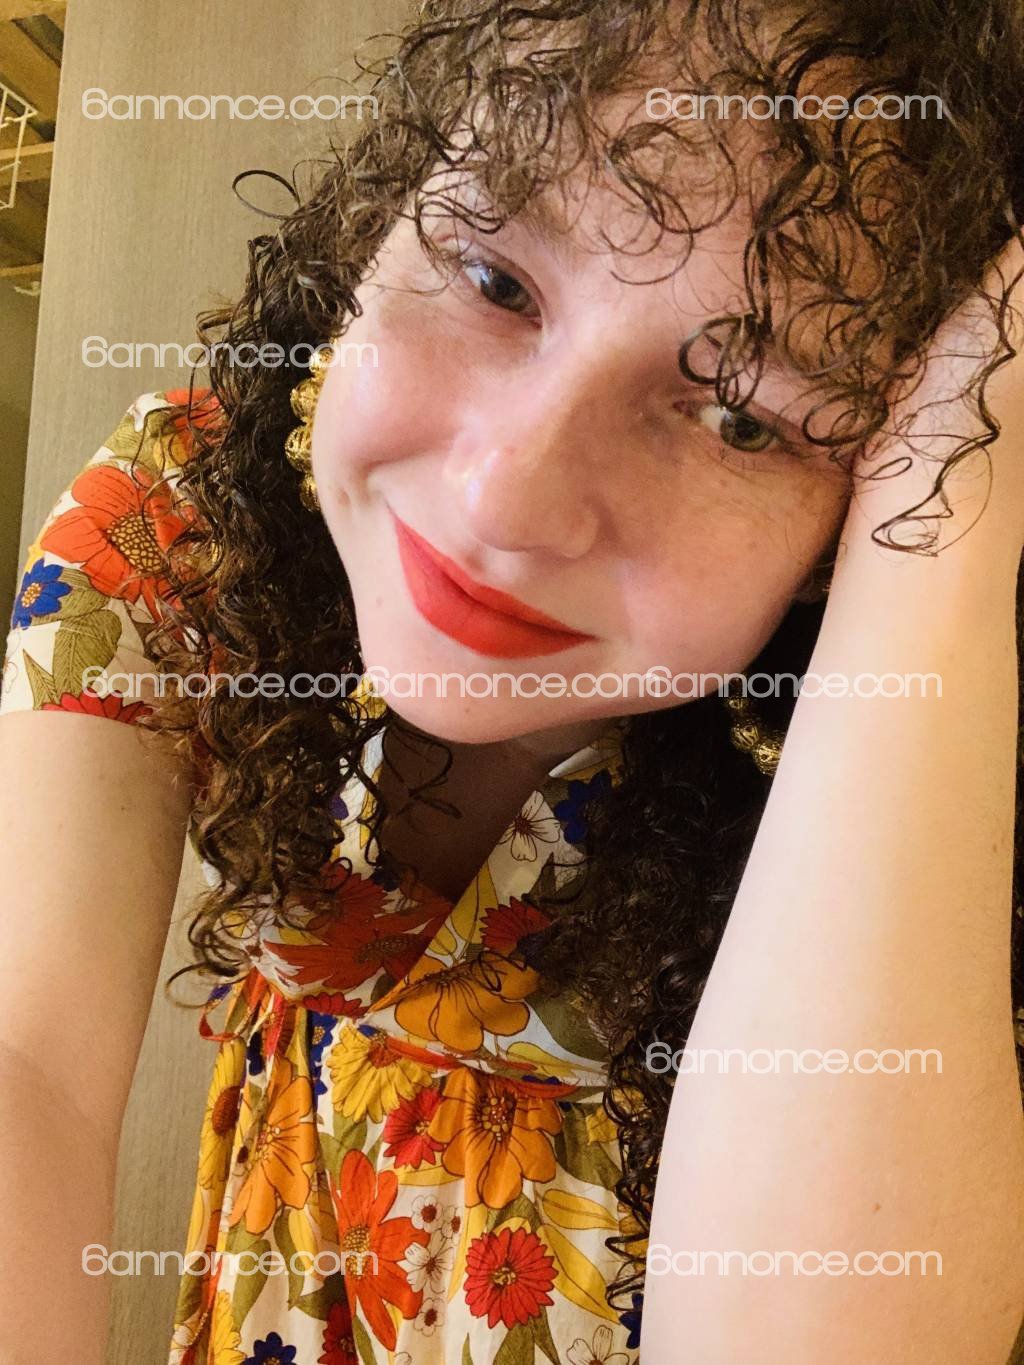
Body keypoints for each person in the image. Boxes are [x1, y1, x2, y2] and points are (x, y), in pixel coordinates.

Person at [3, 1, 1024, 1361]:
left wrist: (946, 523)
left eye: (740, 418)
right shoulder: (186, 518)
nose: (504, 497)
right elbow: (27, 1064)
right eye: (494, 279)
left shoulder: (945, 727)